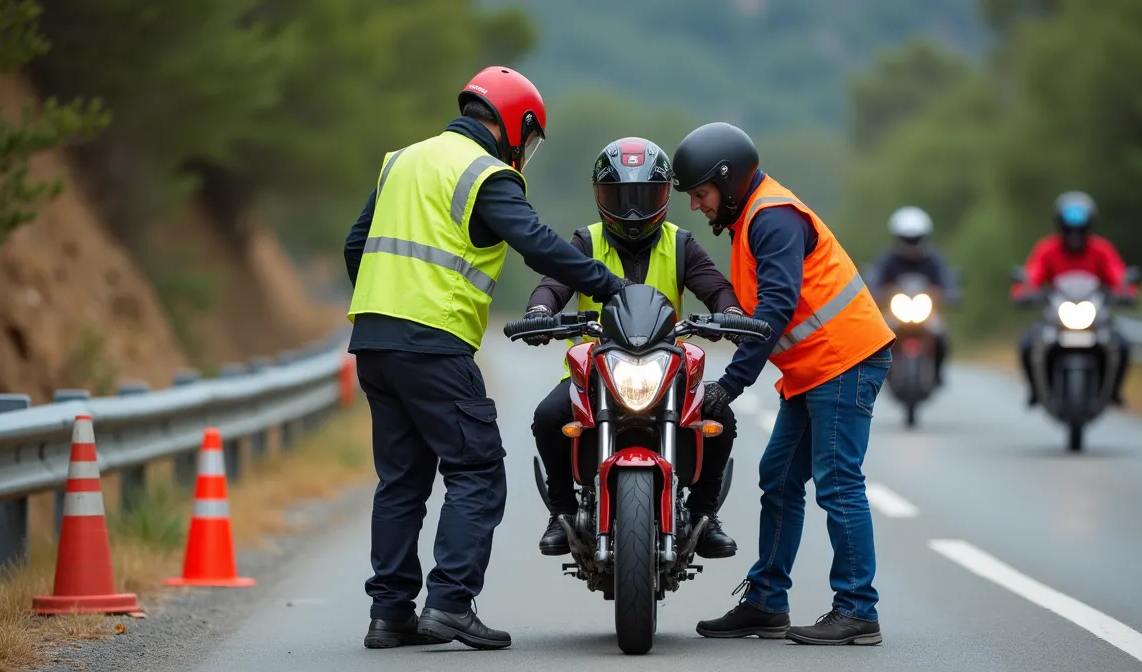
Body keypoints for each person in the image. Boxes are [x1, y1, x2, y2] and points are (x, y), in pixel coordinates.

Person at [343, 65, 631, 652]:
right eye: (529, 138)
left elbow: (356, 244)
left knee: (401, 481)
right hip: (434, 341)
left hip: (374, 342)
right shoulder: (486, 173)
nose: (526, 151)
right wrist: (609, 285)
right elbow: (537, 242)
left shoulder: (402, 160)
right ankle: (450, 604)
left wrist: (385, 306)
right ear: (515, 125)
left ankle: (390, 613)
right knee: (476, 471)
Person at [671, 122, 896, 646]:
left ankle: (859, 610)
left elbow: (773, 308)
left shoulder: (772, 218)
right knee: (779, 477)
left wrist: (731, 383)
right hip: (812, 370)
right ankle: (768, 602)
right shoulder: (753, 217)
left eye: (700, 194)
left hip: (844, 361)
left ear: (727, 182)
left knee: (838, 481)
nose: (695, 206)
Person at [523, 136, 745, 560]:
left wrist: (730, 311)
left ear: (663, 195)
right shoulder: (585, 242)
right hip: (594, 369)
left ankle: (705, 514)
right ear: (599, 195)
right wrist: (538, 310)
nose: (632, 210)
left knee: (721, 416)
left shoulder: (681, 243)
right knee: (547, 416)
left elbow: (715, 287)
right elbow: (554, 283)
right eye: (620, 196)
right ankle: (562, 512)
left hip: (668, 367)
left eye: (643, 196)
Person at [1011, 190, 1137, 407]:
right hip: (1056, 317)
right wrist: (1025, 291)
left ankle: (1114, 391)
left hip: (1094, 318)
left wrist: (1126, 290)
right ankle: (1035, 390)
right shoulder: (1047, 249)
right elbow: (1033, 274)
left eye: (1079, 230)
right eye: (1069, 230)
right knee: (1028, 343)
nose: (1074, 235)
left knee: (1122, 344)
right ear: (1060, 226)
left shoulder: (1101, 250)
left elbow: (1117, 274)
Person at [866, 206, 961, 385]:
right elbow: (875, 281)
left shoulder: (933, 259)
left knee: (941, 336)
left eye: (915, 239)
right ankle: (882, 373)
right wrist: (874, 295)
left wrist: (951, 294)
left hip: (927, 313)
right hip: (895, 313)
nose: (911, 244)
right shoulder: (888, 259)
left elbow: (946, 279)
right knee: (879, 338)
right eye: (906, 239)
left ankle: (938, 372)